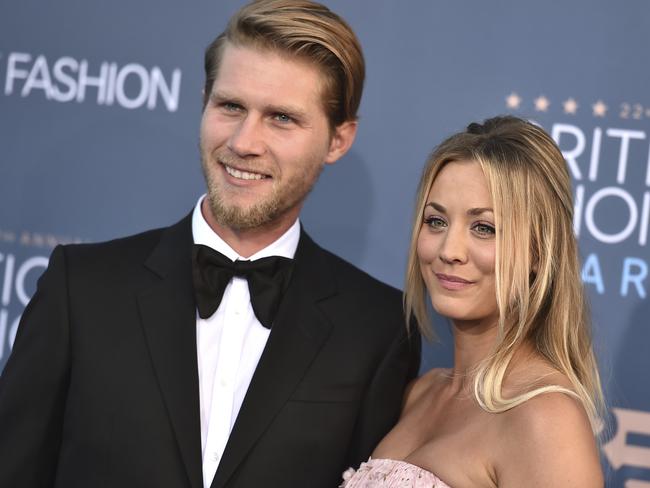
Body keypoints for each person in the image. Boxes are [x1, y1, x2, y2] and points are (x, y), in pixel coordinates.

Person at [0, 1, 420, 487]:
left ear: (338, 140)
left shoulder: (377, 329)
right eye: (231, 106)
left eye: (281, 118)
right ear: (204, 101)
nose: (244, 142)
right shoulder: (83, 289)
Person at [341, 116, 605, 487]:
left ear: (537, 253)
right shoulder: (420, 393)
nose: (449, 250)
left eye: (484, 228)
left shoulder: (545, 418)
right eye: (436, 221)